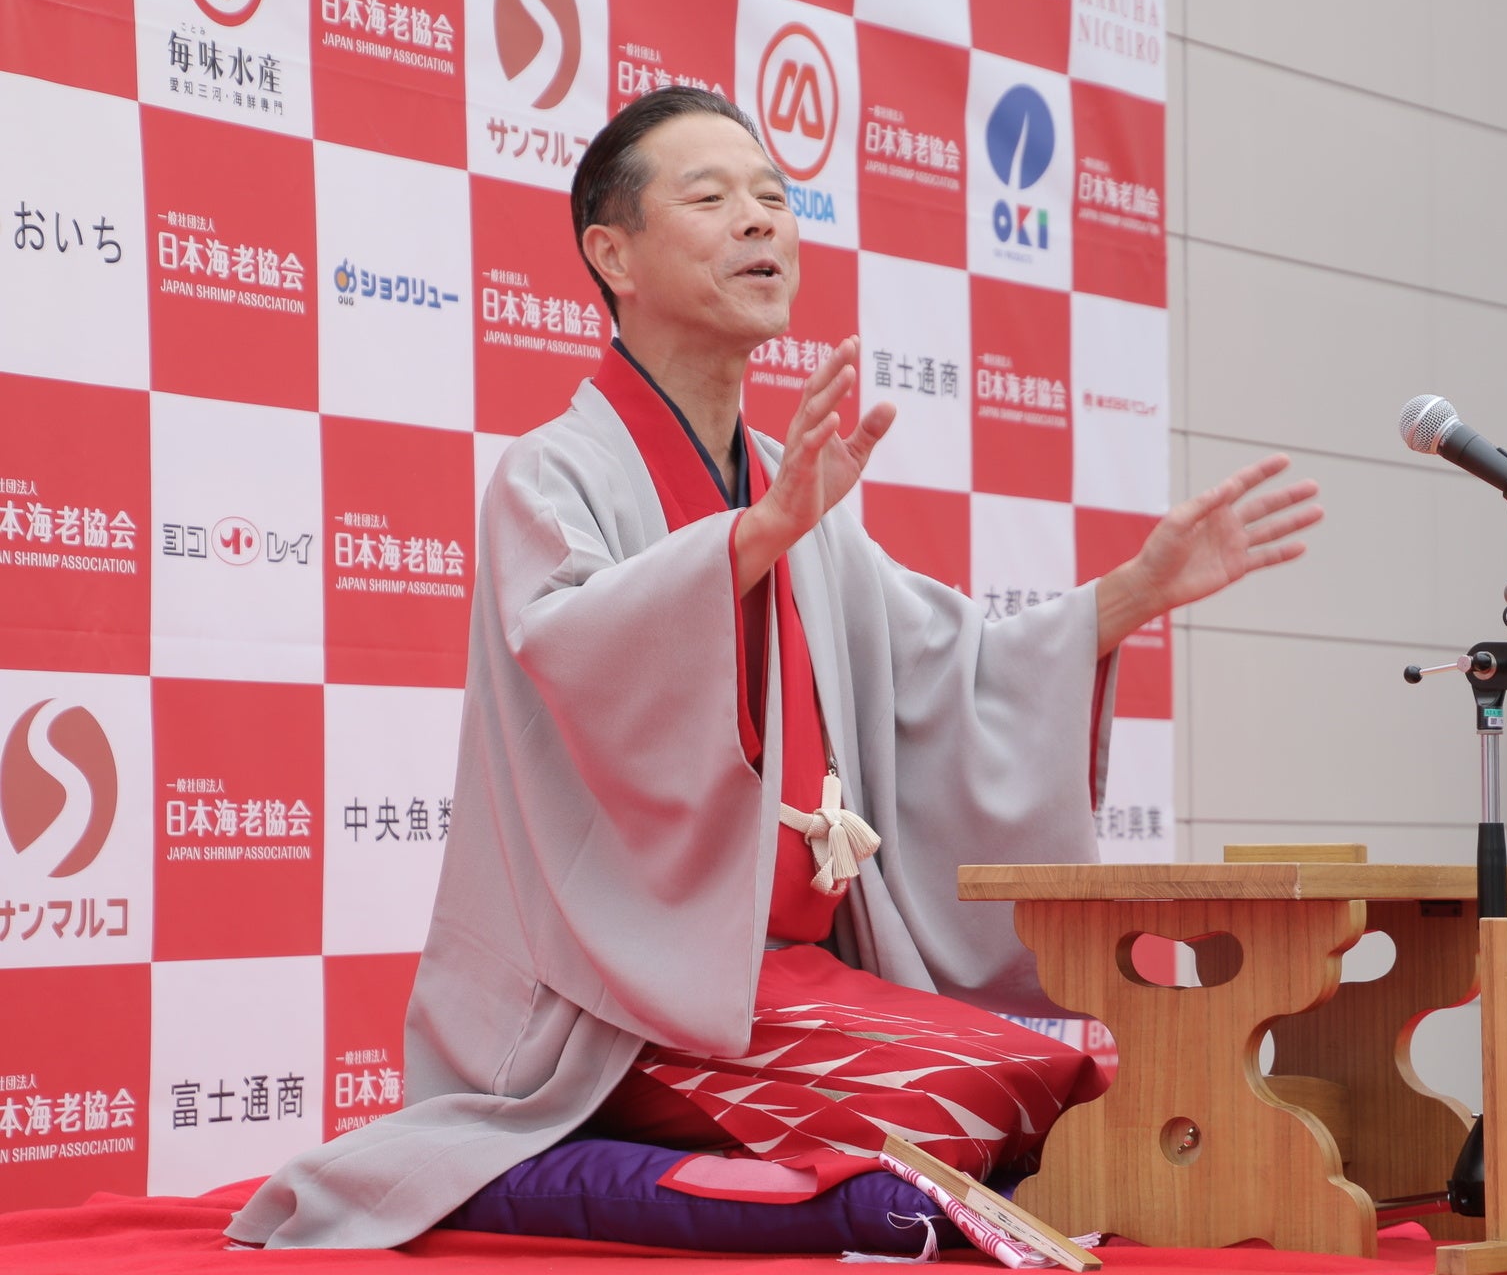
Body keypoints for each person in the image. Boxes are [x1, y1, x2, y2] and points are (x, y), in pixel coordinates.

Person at [227, 87, 1322, 1250]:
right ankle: (539, 1159)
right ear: (614, 254)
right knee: (982, 1091)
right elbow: (581, 650)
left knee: (1093, 1061)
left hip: (794, 977)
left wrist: (1135, 591)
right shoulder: (553, 477)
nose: (761, 222)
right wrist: (747, 543)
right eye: (710, 199)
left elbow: (953, 677)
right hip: (620, 1005)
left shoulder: (795, 493)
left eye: (773, 197)